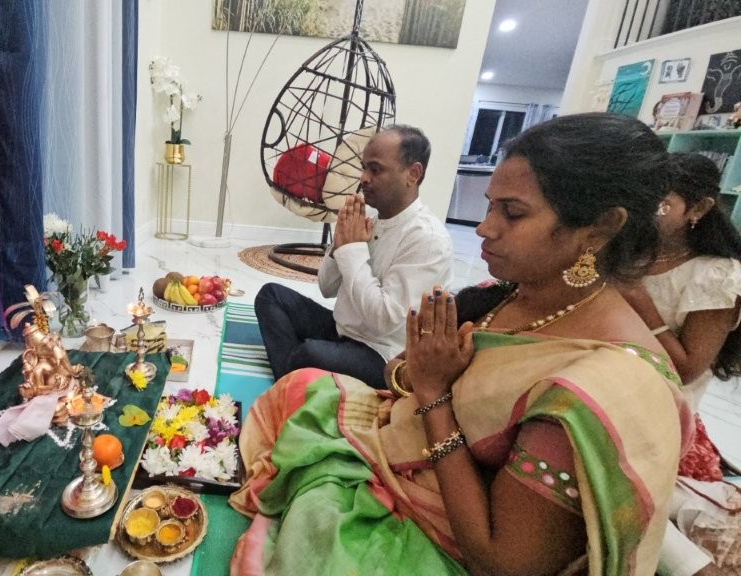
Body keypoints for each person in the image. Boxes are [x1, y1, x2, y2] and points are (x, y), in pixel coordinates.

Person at [229, 113, 690, 575]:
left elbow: (500, 563)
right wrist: (345, 247)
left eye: (512, 213)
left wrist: (433, 394)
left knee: (313, 507)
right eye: (490, 206)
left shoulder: (597, 386)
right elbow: (398, 365)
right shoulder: (508, 293)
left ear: (600, 228)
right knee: (300, 375)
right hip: (399, 426)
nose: (484, 228)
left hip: (444, 527)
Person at [254, 125, 453, 389]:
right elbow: (326, 288)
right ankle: (298, 382)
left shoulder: (428, 239)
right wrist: (339, 245)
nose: (364, 178)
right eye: (364, 168)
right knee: (271, 296)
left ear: (413, 174)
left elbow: (383, 321)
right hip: (342, 331)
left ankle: (292, 381)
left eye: (375, 169)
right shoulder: (369, 217)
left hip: (381, 354)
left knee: (309, 353)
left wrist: (352, 249)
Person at [618, 152, 741, 576]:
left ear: (699, 208)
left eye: (660, 203)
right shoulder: (634, 251)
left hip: (665, 411)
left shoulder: (716, 275)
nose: (645, 211)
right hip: (611, 388)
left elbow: (688, 369)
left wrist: (641, 306)